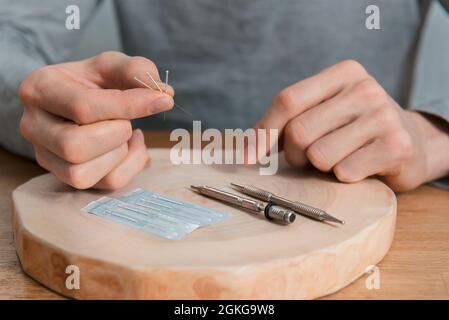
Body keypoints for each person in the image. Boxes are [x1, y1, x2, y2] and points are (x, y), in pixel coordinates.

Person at [1, 0, 448, 191]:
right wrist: (41, 105)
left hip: (366, 191)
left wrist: (431, 135)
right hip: (140, 187)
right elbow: (10, 34)